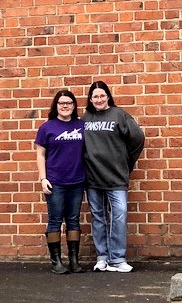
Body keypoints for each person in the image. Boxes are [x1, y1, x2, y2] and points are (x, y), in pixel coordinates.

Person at [83, 80, 145, 273]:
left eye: (102, 95)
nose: (99, 99)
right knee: (98, 217)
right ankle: (102, 257)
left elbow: (138, 138)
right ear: (90, 99)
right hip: (93, 177)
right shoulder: (85, 118)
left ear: (108, 96)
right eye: (95, 96)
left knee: (119, 215)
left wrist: (126, 163)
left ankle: (117, 259)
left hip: (117, 177)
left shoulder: (119, 115)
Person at [34, 89, 86, 274]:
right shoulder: (47, 128)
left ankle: (74, 260)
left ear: (74, 106)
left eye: (69, 103)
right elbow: (40, 155)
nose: (65, 106)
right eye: (61, 103)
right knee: (55, 220)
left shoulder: (81, 126)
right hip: (55, 182)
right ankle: (56, 261)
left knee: (73, 220)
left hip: (77, 181)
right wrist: (43, 178)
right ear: (56, 106)